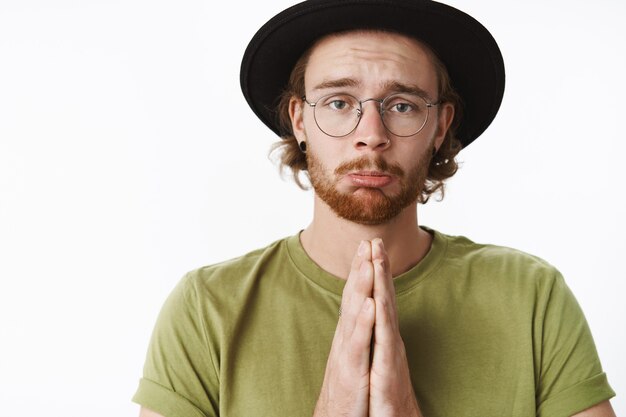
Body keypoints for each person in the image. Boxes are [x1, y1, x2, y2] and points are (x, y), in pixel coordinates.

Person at [133, 1, 616, 416]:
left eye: (402, 105)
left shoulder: (531, 297)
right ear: (300, 119)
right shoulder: (207, 309)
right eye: (339, 102)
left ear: (441, 125)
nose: (372, 133)